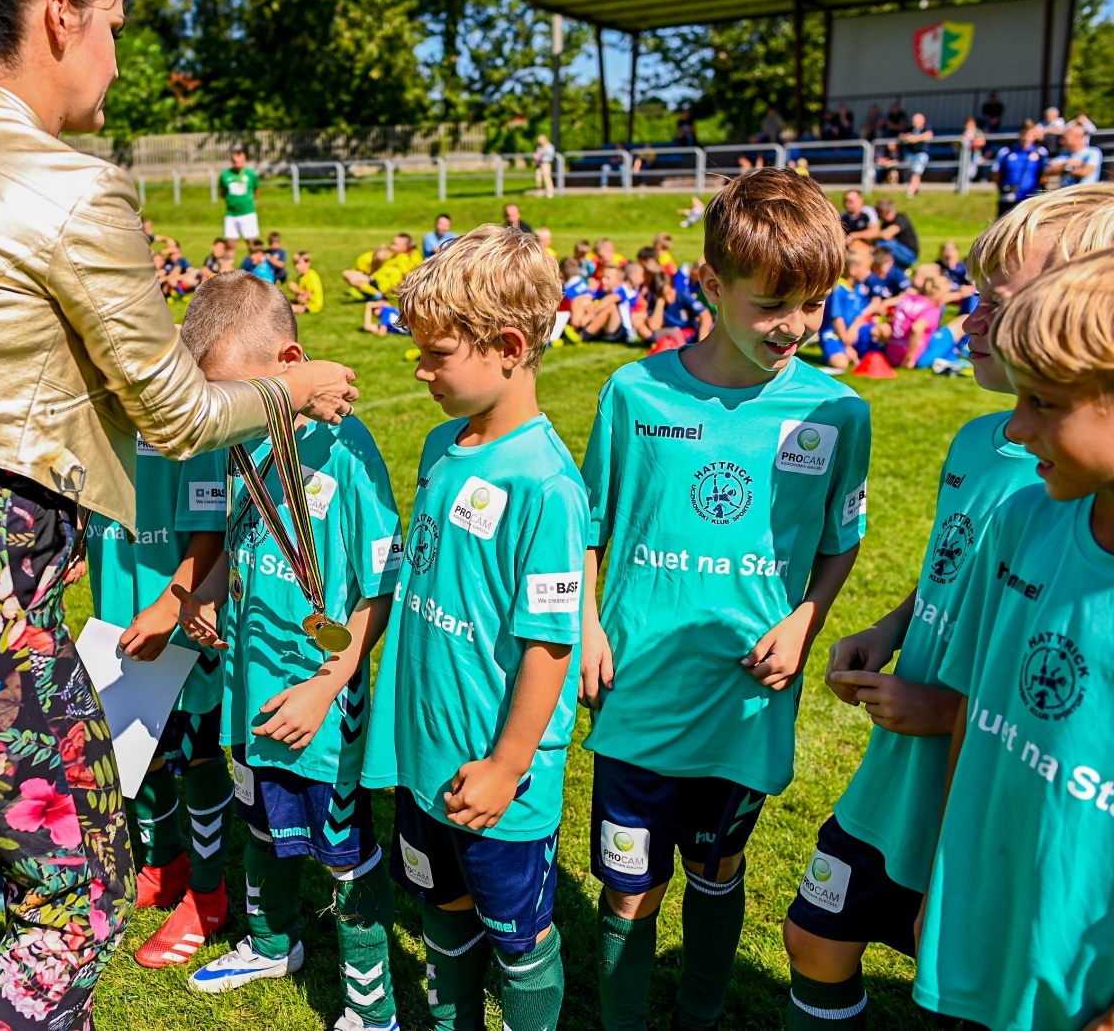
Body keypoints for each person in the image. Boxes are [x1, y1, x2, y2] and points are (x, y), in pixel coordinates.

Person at [0, 0, 359, 1023]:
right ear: (58, 12)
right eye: (114, 27)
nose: (120, 61)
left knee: (56, 881)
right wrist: (290, 386)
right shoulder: (68, 182)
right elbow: (176, 414)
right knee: (75, 905)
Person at [780, 188, 1114, 1031]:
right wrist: (894, 627)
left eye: (997, 305)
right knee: (816, 937)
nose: (971, 318)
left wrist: (949, 707)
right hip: (924, 765)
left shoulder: (1065, 491)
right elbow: (948, 570)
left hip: (985, 775)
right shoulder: (986, 451)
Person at [580, 170, 869, 1031]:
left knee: (717, 866)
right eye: (774, 303)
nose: (795, 328)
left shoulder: (835, 408)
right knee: (629, 885)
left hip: (747, 700)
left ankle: (701, 1013)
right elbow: (591, 520)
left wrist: (804, 619)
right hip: (640, 690)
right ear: (708, 283)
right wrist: (589, 621)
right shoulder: (636, 392)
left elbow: (840, 537)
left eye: (813, 305)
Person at [362, 224, 585, 1031]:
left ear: (508, 345)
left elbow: (551, 643)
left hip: (499, 782)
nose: (419, 370)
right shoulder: (438, 445)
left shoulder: (548, 486)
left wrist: (505, 762)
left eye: (435, 353)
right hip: (424, 756)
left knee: (517, 938)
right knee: (442, 913)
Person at [175, 272, 403, 1031]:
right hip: (250, 686)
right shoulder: (235, 444)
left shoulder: (345, 449)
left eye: (235, 394)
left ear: (291, 364)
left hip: (318, 694)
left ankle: (372, 1010)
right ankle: (272, 942)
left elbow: (379, 587)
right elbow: (239, 545)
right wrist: (207, 588)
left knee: (344, 850)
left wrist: (326, 686)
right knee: (261, 819)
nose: (225, 413)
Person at [912, 247, 1114, 1031]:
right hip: (981, 926)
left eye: (1044, 401)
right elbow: (979, 712)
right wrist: (945, 880)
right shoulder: (1023, 518)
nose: (1018, 426)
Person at [81, 396, 234, 970]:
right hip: (118, 615)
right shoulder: (93, 413)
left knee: (194, 755)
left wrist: (171, 606)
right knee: (131, 742)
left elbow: (211, 536)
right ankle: (166, 862)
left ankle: (210, 891)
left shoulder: (184, 421)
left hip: (182, 627)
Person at [819, 243, 883, 372]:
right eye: (866, 269)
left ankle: (859, 352)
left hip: (853, 332)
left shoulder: (859, 288)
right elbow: (837, 318)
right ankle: (835, 353)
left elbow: (861, 314)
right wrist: (846, 344)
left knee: (882, 332)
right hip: (836, 334)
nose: (869, 273)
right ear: (854, 270)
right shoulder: (838, 289)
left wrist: (855, 327)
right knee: (841, 363)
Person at [993, 123, 1050, 217]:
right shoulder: (1006, 151)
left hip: (1030, 197)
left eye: (1029, 134)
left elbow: (1045, 173)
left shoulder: (1040, 152)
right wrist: (1002, 187)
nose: (1025, 138)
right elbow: (996, 173)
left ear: (1034, 136)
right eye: (1024, 134)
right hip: (1008, 197)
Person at [219, 147, 260, 251]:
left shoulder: (251, 175)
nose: (238, 164)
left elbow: (257, 191)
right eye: (235, 162)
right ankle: (229, 267)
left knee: (252, 243)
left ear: (245, 160)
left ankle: (253, 265)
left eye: (240, 162)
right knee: (230, 243)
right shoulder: (225, 175)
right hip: (231, 214)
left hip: (247, 212)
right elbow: (222, 192)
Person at [1049, 121, 1104, 188]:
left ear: (1078, 137)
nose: (1061, 141)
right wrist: (1066, 165)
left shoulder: (1093, 152)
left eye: (1065, 138)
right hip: (1066, 194)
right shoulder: (1064, 155)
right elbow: (1048, 170)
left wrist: (1064, 169)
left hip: (1086, 192)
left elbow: (1085, 172)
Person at [872, 197, 918, 270]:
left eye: (878, 213)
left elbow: (886, 235)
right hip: (899, 253)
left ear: (884, 212)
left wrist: (868, 234)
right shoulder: (885, 224)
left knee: (882, 244)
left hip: (909, 255)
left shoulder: (900, 219)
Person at [899, 112, 933, 198]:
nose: (914, 122)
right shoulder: (910, 129)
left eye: (916, 120)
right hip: (910, 154)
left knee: (916, 171)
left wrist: (915, 139)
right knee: (911, 171)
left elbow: (929, 135)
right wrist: (906, 137)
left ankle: (911, 190)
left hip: (921, 154)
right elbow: (901, 135)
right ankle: (915, 188)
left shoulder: (926, 128)